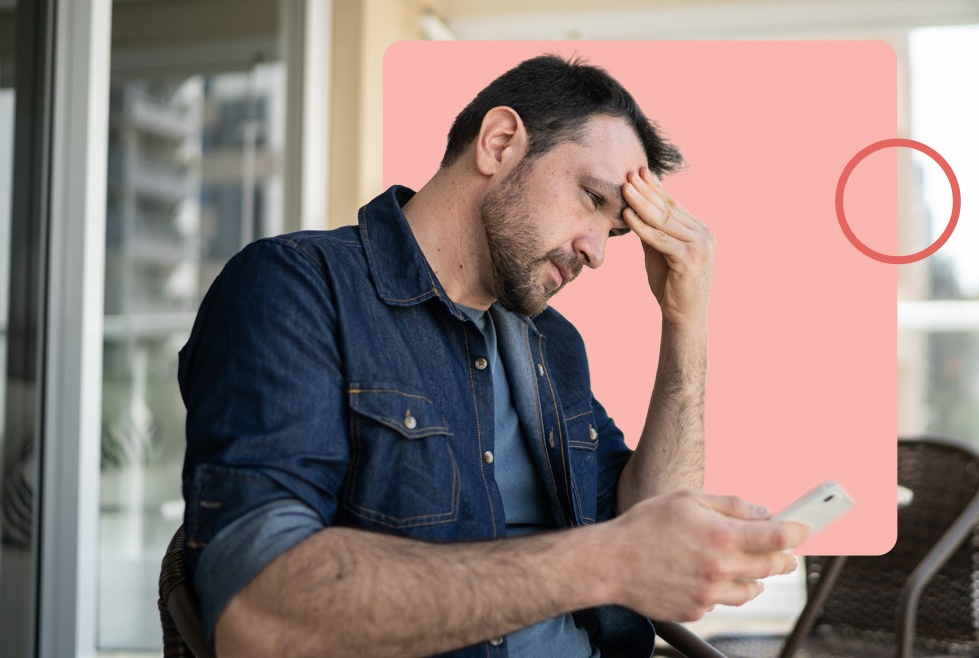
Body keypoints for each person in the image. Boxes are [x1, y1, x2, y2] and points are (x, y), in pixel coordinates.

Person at [179, 54, 807, 658]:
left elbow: (652, 524)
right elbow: (256, 616)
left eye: (616, 231)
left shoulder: (552, 344)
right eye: (593, 198)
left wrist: (684, 319)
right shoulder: (296, 288)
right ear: (500, 142)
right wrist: (606, 562)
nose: (598, 253)